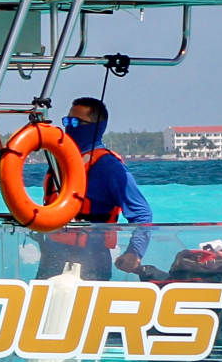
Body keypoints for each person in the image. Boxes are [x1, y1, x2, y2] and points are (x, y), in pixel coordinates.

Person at [35, 96, 158, 282]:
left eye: (76, 122)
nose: (69, 126)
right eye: (67, 121)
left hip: (92, 257)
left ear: (95, 128)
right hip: (52, 255)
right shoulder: (62, 160)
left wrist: (134, 252)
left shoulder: (108, 166)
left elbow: (142, 213)